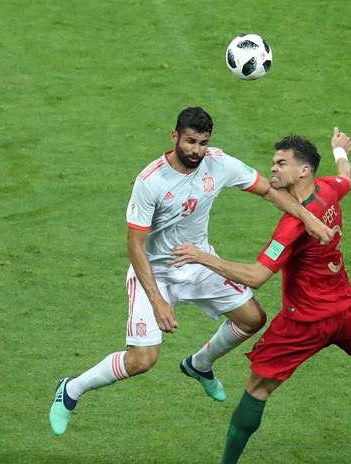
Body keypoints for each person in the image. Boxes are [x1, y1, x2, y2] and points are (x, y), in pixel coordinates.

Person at [48, 107, 333, 436]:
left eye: (202, 142)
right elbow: (135, 246)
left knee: (252, 319)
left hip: (197, 262)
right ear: (175, 138)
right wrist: (157, 301)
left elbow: (269, 191)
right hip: (154, 272)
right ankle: (71, 389)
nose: (196, 150)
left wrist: (307, 217)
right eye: (190, 141)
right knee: (143, 359)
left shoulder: (219, 164)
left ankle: (199, 365)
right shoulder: (150, 181)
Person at [171, 128, 351, 464]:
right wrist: (340, 151)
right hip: (346, 308)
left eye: (281, 164)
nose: (272, 170)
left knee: (257, 388)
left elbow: (257, 276)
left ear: (303, 170)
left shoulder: (293, 225)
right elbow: (347, 178)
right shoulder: (329, 188)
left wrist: (200, 256)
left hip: (305, 321)